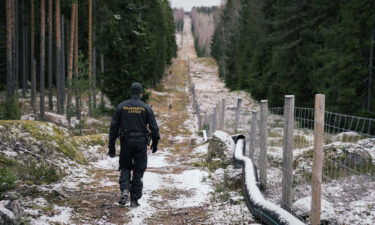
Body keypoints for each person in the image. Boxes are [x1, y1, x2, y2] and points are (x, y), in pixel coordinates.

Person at [108, 82, 160, 207]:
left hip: (126, 142)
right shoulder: (146, 108)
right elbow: (154, 128)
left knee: (125, 167)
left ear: (131, 93)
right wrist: (155, 143)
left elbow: (113, 127)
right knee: (139, 170)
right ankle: (134, 199)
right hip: (141, 143)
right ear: (141, 94)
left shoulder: (122, 106)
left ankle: (125, 189)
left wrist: (111, 146)